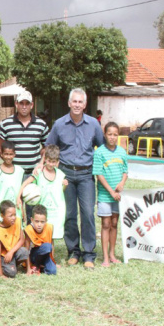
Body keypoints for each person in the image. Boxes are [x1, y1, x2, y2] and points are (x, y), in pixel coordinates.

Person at [45, 88, 104, 269]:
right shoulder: (59, 124)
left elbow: (101, 148)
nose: (77, 105)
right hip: (66, 175)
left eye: (80, 102)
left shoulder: (93, 124)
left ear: (85, 104)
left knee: (87, 213)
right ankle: (73, 251)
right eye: (74, 101)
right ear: (69, 103)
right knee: (69, 214)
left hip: (86, 174)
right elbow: (49, 146)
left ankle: (88, 254)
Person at [0, 90, 49, 219]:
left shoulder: (41, 124)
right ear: (16, 104)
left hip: (33, 174)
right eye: (21, 103)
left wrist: (41, 163)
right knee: (14, 208)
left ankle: (31, 238)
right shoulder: (6, 124)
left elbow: (47, 147)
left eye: (27, 103)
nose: (24, 106)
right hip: (14, 174)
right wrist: (8, 162)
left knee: (33, 209)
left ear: (32, 105)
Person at [93, 122, 128, 267]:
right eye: (109, 134)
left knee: (114, 223)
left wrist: (122, 183)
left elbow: (125, 171)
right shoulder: (99, 152)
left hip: (118, 196)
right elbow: (99, 174)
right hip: (105, 195)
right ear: (104, 135)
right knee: (106, 223)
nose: (112, 137)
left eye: (115, 134)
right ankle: (105, 257)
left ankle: (113, 254)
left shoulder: (122, 152)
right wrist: (111, 191)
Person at [17, 144, 67, 239]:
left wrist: (64, 185)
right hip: (41, 212)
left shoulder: (60, 174)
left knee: (50, 238)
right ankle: (33, 253)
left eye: (53, 162)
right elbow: (25, 183)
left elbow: (61, 192)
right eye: (49, 161)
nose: (51, 164)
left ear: (57, 162)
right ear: (45, 159)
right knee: (37, 236)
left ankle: (50, 254)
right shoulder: (39, 172)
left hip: (55, 212)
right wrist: (18, 197)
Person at [0, 200, 28, 278]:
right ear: (2, 215)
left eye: (14, 215)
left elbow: (22, 240)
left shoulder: (17, 221)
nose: (13, 218)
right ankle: (4, 267)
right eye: (10, 215)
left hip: (13, 252)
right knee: (12, 273)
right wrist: (1, 275)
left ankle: (12, 265)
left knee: (24, 251)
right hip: (4, 256)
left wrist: (11, 252)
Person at [23, 204, 57, 275]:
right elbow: (26, 250)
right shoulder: (28, 230)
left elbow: (52, 245)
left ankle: (41, 267)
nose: (39, 224)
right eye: (37, 221)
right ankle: (36, 266)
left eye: (42, 222)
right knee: (47, 246)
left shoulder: (49, 227)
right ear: (32, 220)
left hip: (46, 254)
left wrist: (53, 261)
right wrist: (28, 269)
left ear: (46, 221)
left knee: (52, 272)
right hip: (34, 255)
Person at [0, 141, 25, 221]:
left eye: (10, 154)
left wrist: (22, 210)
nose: (8, 157)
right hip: (2, 212)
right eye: (6, 154)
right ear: (1, 154)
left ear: (14, 154)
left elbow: (21, 194)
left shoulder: (19, 171)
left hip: (16, 212)